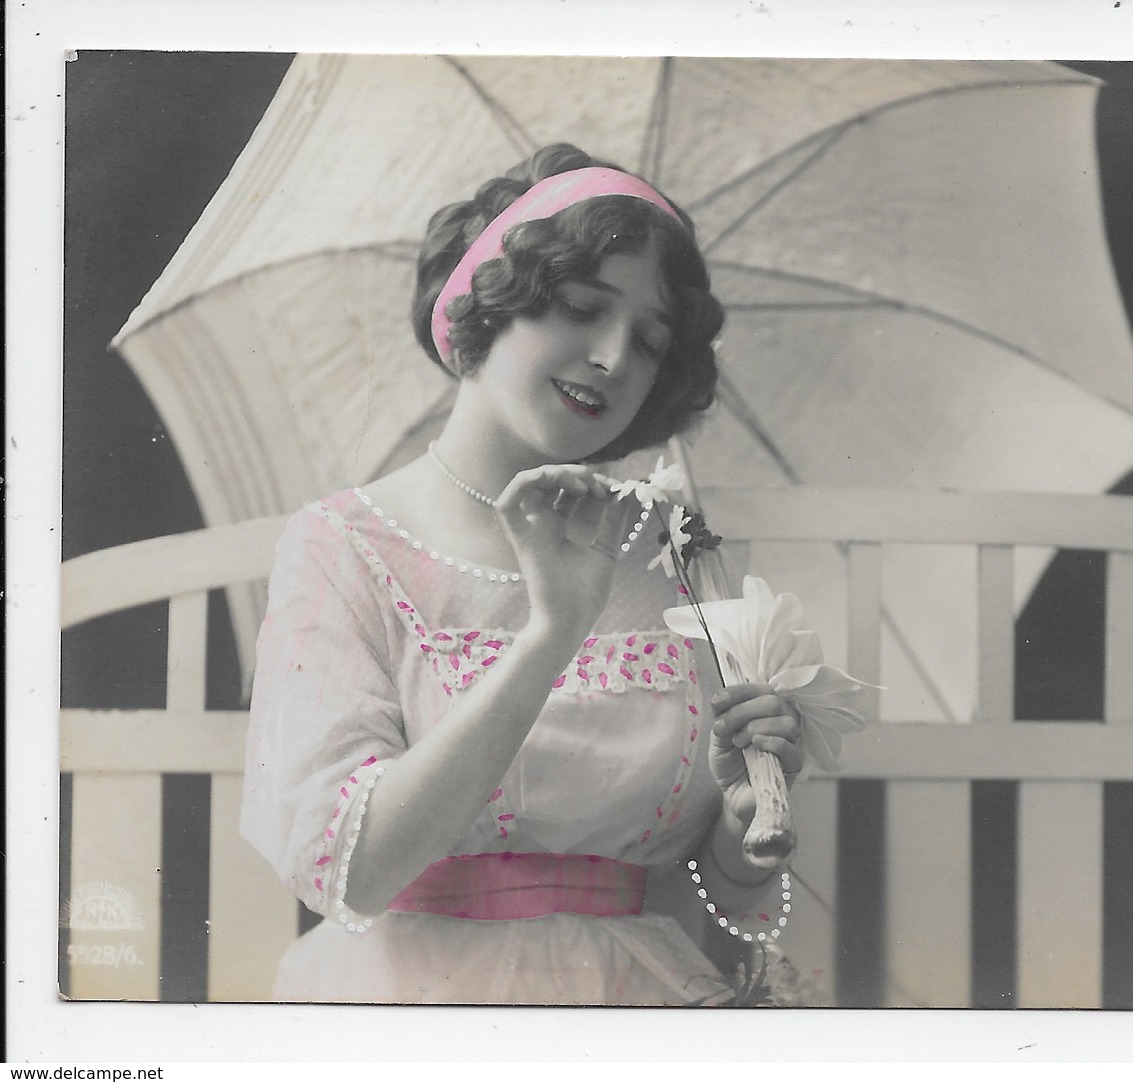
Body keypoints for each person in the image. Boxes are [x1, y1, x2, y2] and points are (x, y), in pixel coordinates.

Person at [241, 143, 805, 1005]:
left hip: (638, 999)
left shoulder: (674, 547)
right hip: (404, 1005)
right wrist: (552, 633)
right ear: (485, 303)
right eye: (583, 308)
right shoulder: (340, 543)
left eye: (650, 341)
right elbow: (352, 876)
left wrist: (743, 824)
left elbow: (727, 903)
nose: (615, 357)